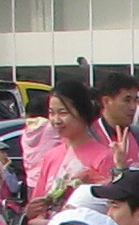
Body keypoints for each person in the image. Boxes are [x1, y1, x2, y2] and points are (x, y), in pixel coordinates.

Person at [22, 75, 118, 207]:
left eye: (63, 113)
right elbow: (38, 203)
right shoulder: (51, 156)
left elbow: (107, 207)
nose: (56, 120)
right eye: (51, 113)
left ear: (82, 112)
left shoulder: (104, 157)